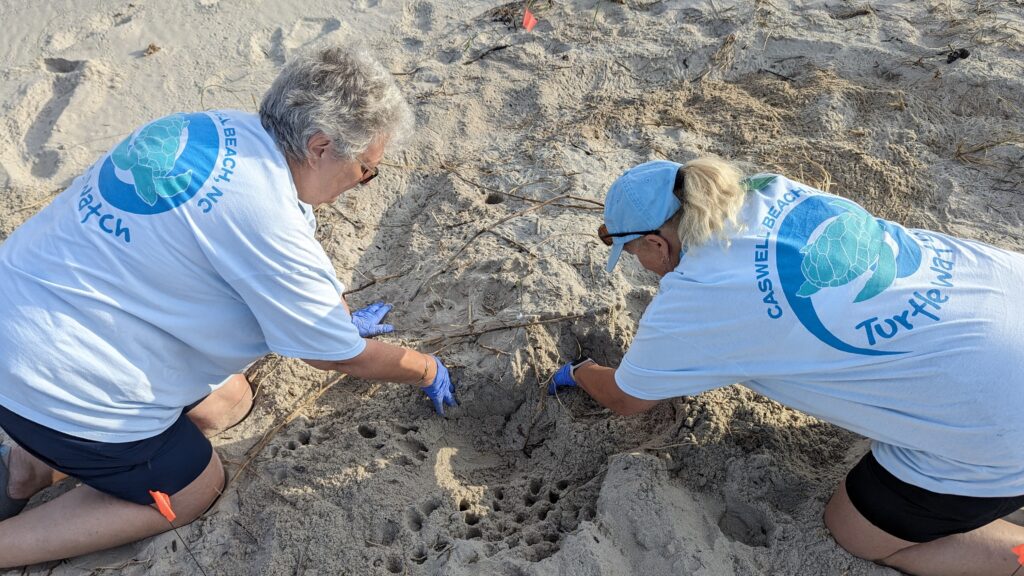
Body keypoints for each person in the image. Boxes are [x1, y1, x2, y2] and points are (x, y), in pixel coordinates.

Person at [0, 45, 457, 568]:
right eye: (366, 169)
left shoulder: (215, 129)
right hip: (60, 384)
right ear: (321, 146)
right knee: (196, 488)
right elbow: (335, 354)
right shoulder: (267, 219)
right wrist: (425, 369)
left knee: (228, 400)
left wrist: (330, 309)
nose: (362, 183)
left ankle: (26, 470)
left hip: (18, 315)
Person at [549, 158, 1024, 575]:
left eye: (633, 256)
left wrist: (580, 370)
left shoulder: (697, 297)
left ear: (656, 244)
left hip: (1002, 422)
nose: (641, 267)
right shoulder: (769, 189)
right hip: (1005, 293)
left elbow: (627, 398)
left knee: (855, 532)